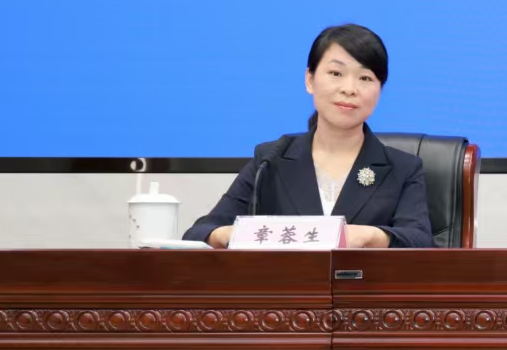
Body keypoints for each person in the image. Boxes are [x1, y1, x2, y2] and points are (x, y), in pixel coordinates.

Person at [185, 24, 433, 249]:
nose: (349, 89)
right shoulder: (270, 160)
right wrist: (238, 235)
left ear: (379, 91)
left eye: (365, 78)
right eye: (336, 73)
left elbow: (421, 242)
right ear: (310, 80)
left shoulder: (403, 169)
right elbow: (199, 233)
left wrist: (373, 236)